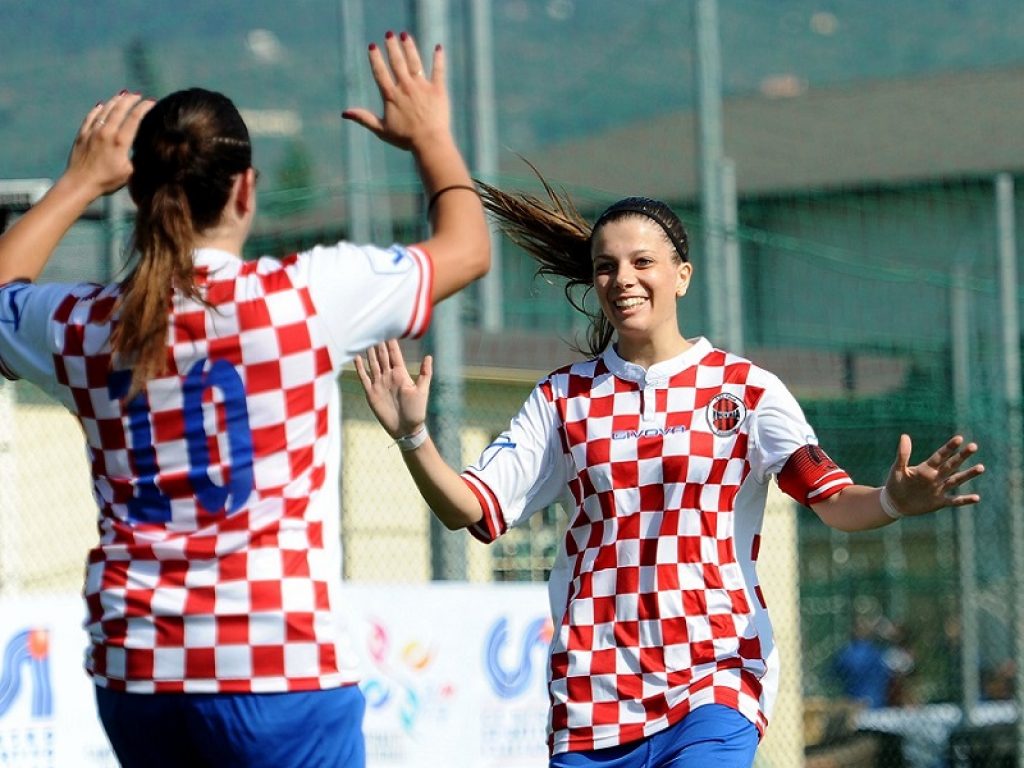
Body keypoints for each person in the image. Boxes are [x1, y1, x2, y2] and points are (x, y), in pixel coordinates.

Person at [354, 183, 984, 767]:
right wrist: (414, 437)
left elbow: (834, 500)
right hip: (592, 698)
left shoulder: (746, 391)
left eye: (642, 262)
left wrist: (895, 500)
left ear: (682, 275)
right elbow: (472, 509)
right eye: (607, 266)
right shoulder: (562, 399)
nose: (623, 279)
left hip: (716, 680)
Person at [0, 31, 488, 768]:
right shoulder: (303, 298)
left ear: (133, 191)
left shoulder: (89, 323)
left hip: (140, 670)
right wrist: (431, 138)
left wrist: (74, 184)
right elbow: (468, 248)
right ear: (246, 187)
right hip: (278, 666)